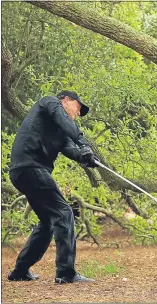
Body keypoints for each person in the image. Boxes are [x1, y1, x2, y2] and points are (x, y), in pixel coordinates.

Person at [7, 90, 99, 284]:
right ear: (66, 100)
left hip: (25, 173)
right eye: (79, 108)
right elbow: (69, 127)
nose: (78, 114)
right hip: (30, 167)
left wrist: (86, 157)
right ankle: (66, 273)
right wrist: (83, 142)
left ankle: (20, 271)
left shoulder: (60, 132)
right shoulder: (48, 102)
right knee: (64, 212)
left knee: (48, 221)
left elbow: (70, 149)